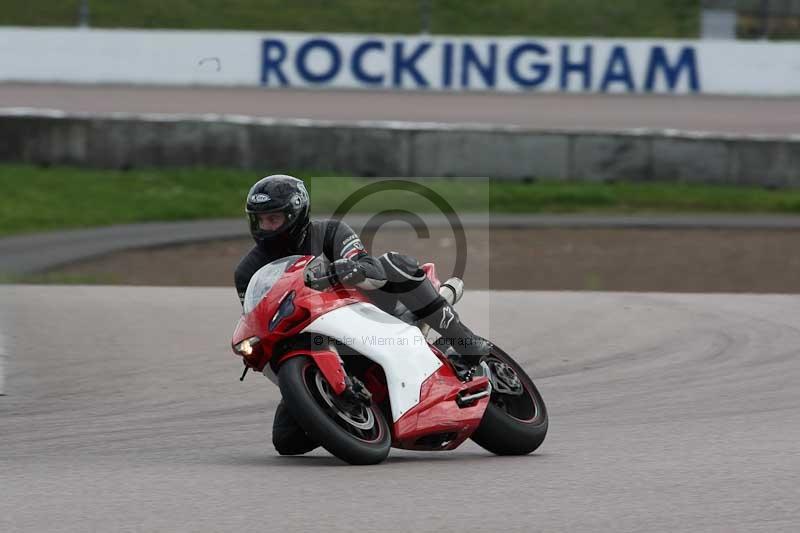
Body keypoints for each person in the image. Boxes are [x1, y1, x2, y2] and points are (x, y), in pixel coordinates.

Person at [234, 174, 490, 455]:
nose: (267, 227)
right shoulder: (248, 271)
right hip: (309, 335)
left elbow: (369, 267)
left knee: (394, 264)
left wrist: (351, 269)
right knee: (286, 442)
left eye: (275, 219)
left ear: (296, 214)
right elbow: (257, 312)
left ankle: (464, 340)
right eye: (261, 220)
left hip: (365, 311)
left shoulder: (330, 233)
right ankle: (351, 410)